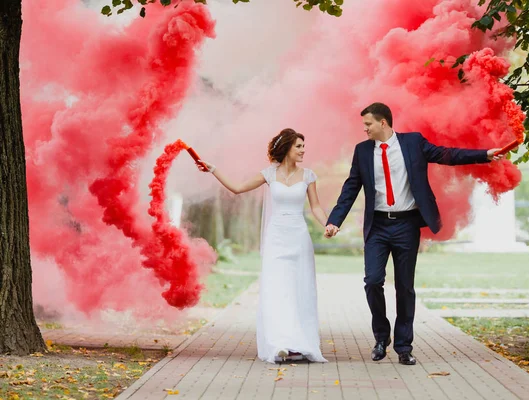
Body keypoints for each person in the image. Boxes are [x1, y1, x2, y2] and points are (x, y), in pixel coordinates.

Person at [324, 102, 503, 365]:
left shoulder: (412, 143)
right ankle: (381, 337)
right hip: (378, 226)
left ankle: (404, 346)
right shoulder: (362, 151)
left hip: (407, 225)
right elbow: (351, 187)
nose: (365, 129)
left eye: (368, 124)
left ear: (382, 122)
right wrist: (334, 220)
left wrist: (485, 154)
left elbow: (447, 155)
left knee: (404, 287)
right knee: (373, 281)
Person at [197, 128, 328, 364]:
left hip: (299, 238)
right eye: (298, 146)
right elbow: (237, 188)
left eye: (303, 146)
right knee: (277, 289)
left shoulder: (309, 176)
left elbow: (316, 206)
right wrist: (213, 170)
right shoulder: (268, 174)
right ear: (287, 147)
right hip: (276, 238)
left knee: (299, 289)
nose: (303, 150)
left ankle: (300, 343)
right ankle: (279, 343)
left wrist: (329, 224)